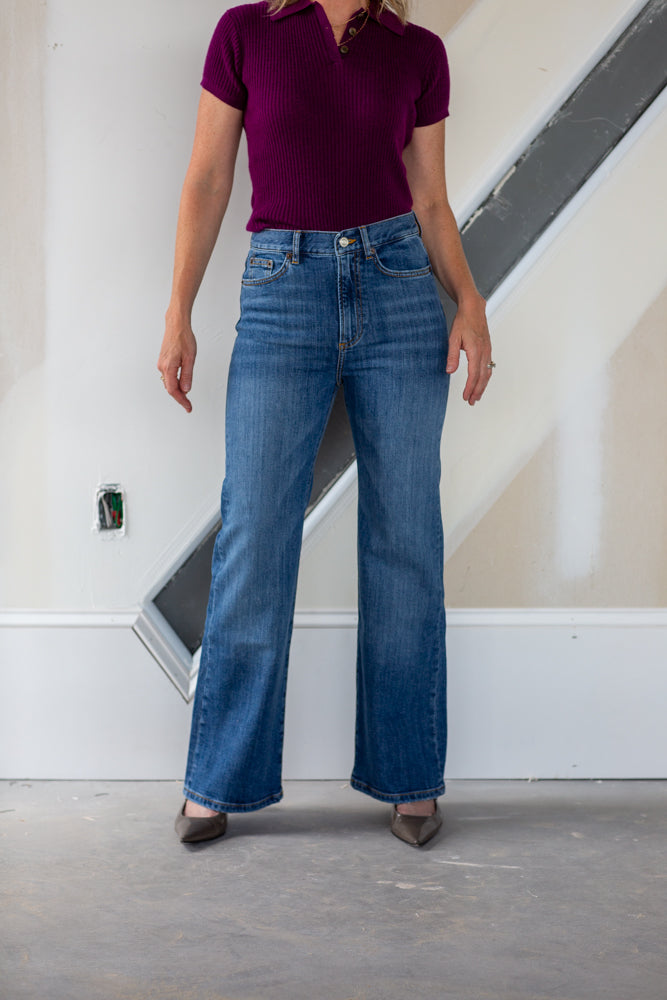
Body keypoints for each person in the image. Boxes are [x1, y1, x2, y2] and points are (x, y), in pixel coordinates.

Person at [158, 0, 493, 848]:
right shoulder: (247, 33)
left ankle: (409, 776)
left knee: (405, 535)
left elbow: (430, 201)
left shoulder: (414, 51)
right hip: (282, 291)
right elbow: (207, 177)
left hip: (400, 289)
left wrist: (470, 302)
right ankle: (217, 781)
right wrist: (178, 312)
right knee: (256, 530)